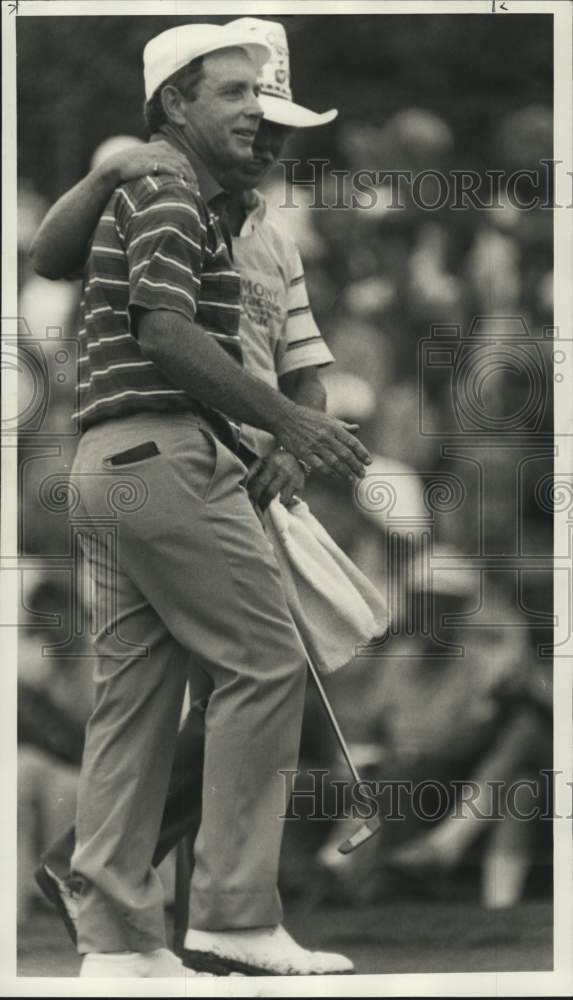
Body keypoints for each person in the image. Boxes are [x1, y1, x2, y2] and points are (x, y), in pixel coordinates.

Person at [33, 21, 369, 978]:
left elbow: (93, 284)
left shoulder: (187, 199)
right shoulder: (172, 191)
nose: (259, 119)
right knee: (264, 665)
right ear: (174, 105)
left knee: (135, 703)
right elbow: (165, 334)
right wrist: (293, 425)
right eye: (236, 96)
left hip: (117, 462)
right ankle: (233, 913)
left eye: (262, 101)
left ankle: (118, 943)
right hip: (171, 454)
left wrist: (284, 429)